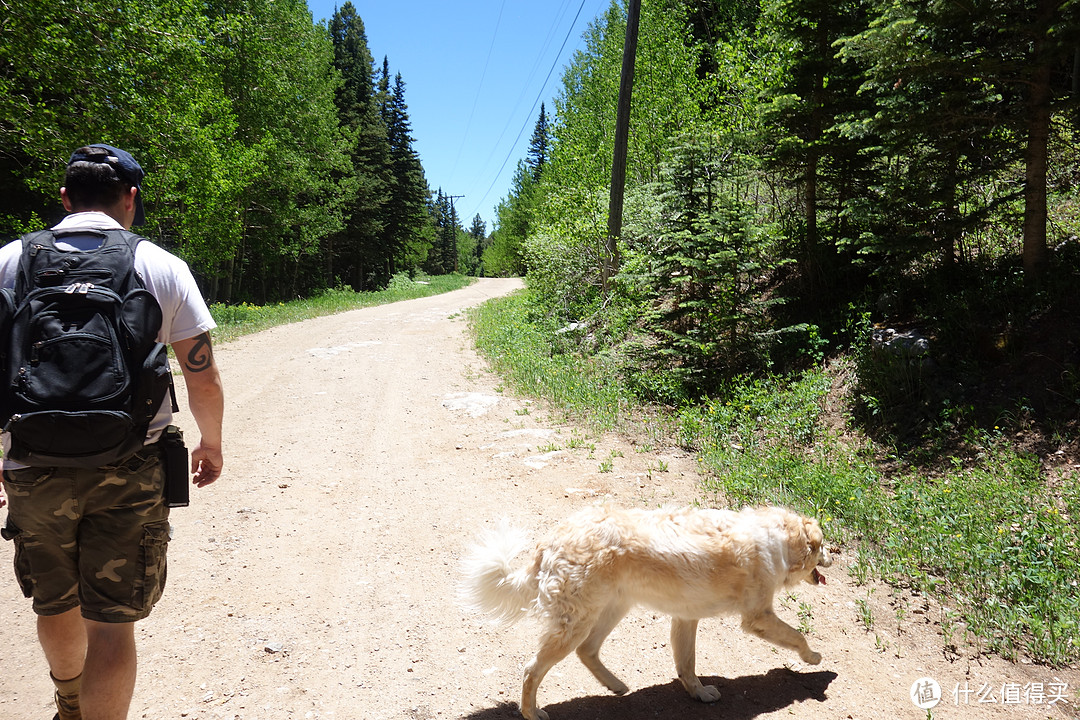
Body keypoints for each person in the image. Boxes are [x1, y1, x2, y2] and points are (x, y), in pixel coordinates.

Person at [0, 144, 225, 720]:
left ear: (64, 198)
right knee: (111, 624)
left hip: (32, 463)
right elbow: (200, 374)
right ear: (130, 200)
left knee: (53, 601)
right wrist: (211, 442)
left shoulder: (8, 262)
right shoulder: (160, 266)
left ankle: (68, 700)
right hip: (131, 467)